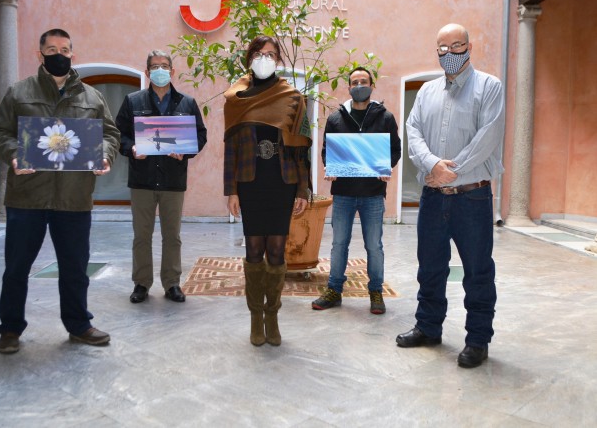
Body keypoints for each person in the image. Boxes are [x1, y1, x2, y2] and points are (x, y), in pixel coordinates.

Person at [0, 28, 120, 354]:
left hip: (74, 198)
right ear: (40, 54)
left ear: (73, 53)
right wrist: (14, 154)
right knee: (17, 268)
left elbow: (110, 134)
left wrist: (104, 154)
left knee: (75, 268)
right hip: (27, 197)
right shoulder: (18, 93)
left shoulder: (91, 97)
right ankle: (10, 330)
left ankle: (79, 325)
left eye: (64, 48)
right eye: (51, 48)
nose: (58, 53)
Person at [397, 23, 505, 368]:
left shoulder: (489, 87)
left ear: (469, 47)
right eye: (441, 48)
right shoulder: (427, 91)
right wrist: (431, 164)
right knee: (429, 267)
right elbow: (412, 131)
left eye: (456, 46)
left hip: (471, 198)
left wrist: (451, 169)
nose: (449, 54)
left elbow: (489, 135)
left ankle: (477, 339)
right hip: (432, 197)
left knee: (477, 271)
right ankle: (428, 327)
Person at [224, 36, 312, 346]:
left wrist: (303, 190)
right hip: (250, 183)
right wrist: (230, 190)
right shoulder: (238, 96)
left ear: (278, 61)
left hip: (281, 183)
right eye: (260, 54)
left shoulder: (292, 97)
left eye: (271, 54)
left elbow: (302, 148)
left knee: (276, 250)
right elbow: (231, 147)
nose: (265, 58)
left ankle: (272, 315)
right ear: (249, 58)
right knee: (253, 250)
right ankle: (254, 318)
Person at [115, 50, 207, 304]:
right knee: (141, 235)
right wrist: (131, 148)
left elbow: (200, 136)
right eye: (155, 66)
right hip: (142, 180)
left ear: (173, 71)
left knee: (172, 235)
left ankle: (172, 283)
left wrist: (186, 152)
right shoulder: (133, 101)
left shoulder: (187, 103)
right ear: (147, 73)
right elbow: (117, 134)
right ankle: (141, 283)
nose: (160, 70)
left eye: (165, 66)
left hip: (173, 180)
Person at [312, 67, 401, 314]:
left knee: (374, 245)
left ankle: (375, 291)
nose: (359, 85)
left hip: (373, 193)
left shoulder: (385, 118)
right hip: (343, 193)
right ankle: (334, 290)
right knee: (339, 243)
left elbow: (395, 149)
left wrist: (387, 167)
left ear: (372, 85)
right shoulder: (335, 119)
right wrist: (330, 167)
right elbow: (326, 151)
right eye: (354, 81)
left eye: (363, 81)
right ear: (348, 86)